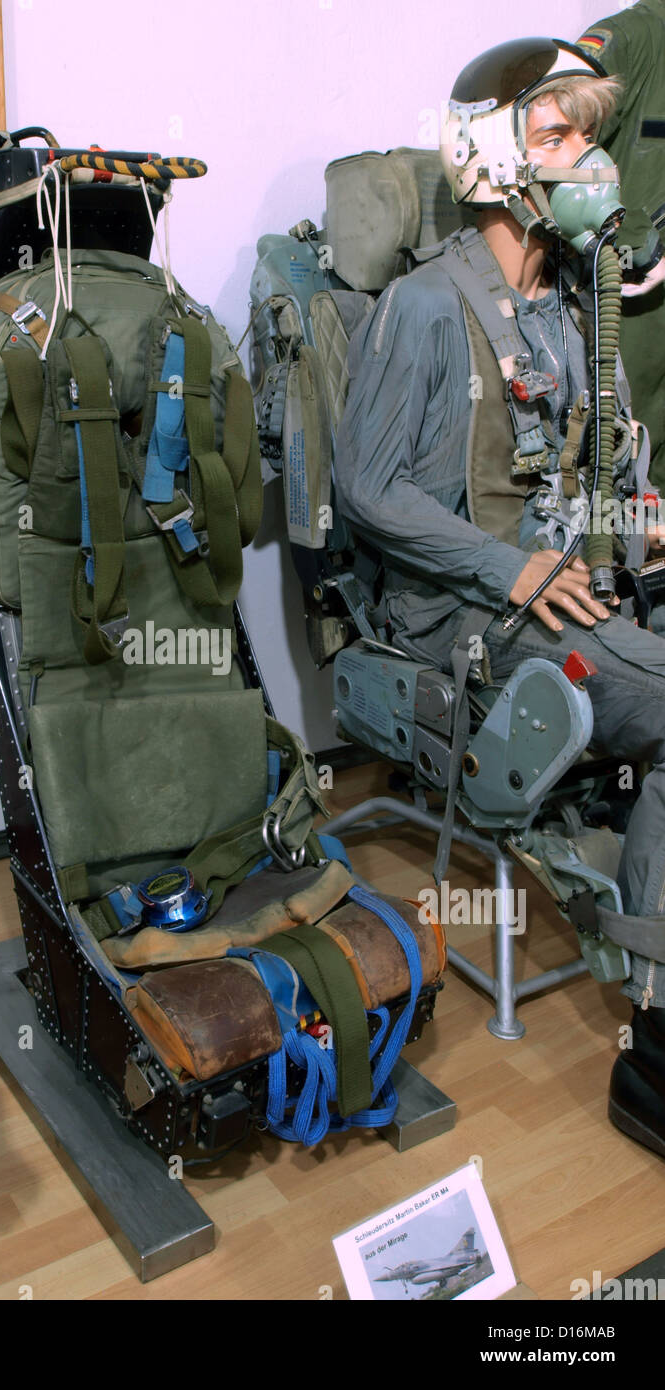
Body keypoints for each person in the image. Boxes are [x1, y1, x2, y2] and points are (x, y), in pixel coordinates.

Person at [333, 36, 665, 1159]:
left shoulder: (574, 313)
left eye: (592, 136)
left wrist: (637, 515)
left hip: (564, 586)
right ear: (491, 161)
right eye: (560, 137)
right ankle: (657, 1047)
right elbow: (365, 488)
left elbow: (594, 474)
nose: (593, 163)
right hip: (457, 610)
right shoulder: (426, 308)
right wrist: (509, 568)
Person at [578, 4, 665, 489]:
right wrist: (627, 244)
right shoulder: (631, 40)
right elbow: (555, 156)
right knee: (625, 463)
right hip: (632, 300)